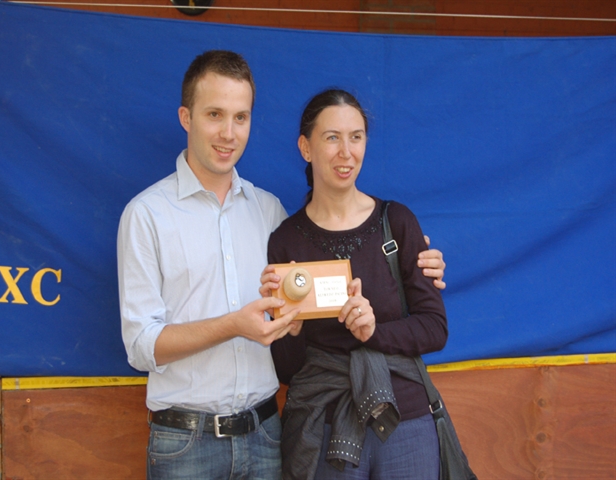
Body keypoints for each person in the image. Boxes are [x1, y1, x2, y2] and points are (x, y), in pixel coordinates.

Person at [118, 51, 446, 480]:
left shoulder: (268, 212)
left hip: (265, 434)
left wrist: (418, 259)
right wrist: (237, 325)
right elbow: (140, 346)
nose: (228, 132)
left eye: (240, 117)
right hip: (186, 440)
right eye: (215, 114)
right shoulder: (147, 215)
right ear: (186, 117)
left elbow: (302, 323)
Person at [265, 89, 447, 480]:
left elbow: (435, 328)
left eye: (356, 137)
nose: (346, 152)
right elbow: (288, 370)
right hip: (324, 424)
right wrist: (292, 329)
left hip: (405, 418)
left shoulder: (396, 223)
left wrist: (374, 332)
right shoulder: (286, 241)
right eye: (332, 137)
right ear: (306, 147)